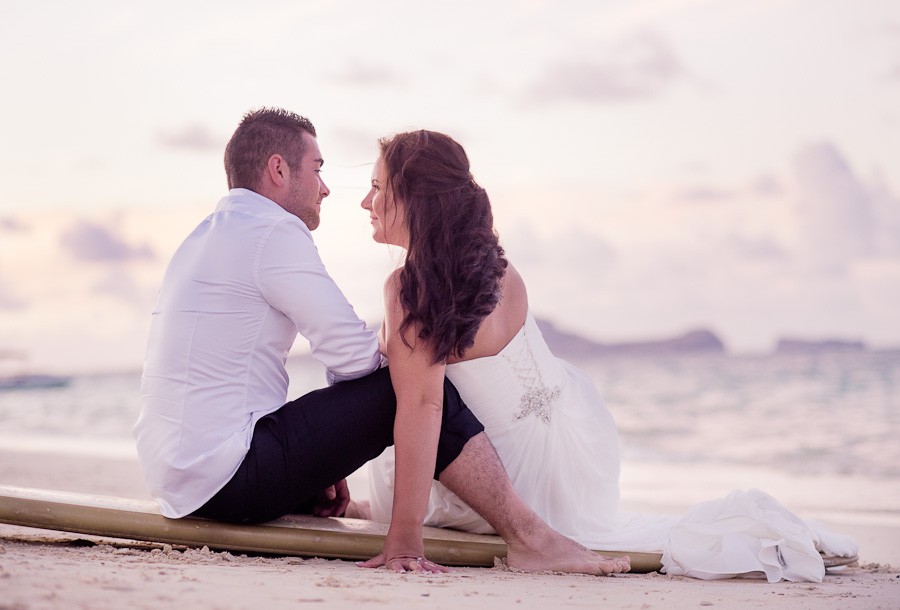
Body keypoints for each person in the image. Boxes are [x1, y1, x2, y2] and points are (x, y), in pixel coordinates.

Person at [133, 107, 630, 576]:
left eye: (372, 186)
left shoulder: (208, 235)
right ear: (279, 170)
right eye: (318, 169)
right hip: (227, 475)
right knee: (411, 387)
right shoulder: (273, 232)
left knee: (413, 379)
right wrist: (386, 392)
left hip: (179, 474)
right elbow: (354, 360)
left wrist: (328, 449)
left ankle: (521, 532)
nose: (327, 188)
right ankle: (530, 536)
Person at [361, 130, 859, 582]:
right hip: (568, 468)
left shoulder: (409, 288)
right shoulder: (499, 271)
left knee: (394, 408)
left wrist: (404, 539)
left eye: (378, 187)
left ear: (416, 198)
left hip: (501, 485)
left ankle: (396, 514)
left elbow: (425, 408)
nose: (367, 202)